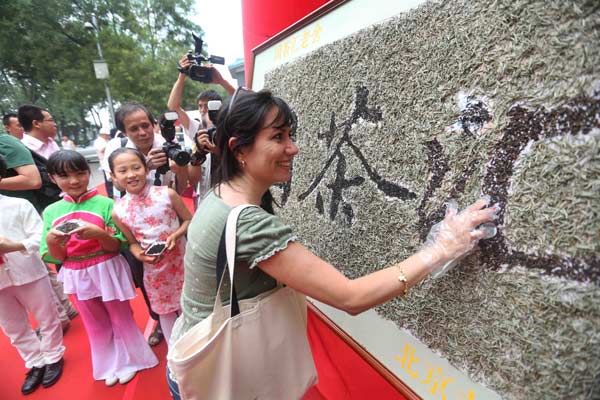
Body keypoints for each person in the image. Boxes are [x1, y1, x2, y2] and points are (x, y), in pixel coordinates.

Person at [166, 89, 499, 398]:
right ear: (239, 149)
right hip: (217, 378)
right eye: (278, 137)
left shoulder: (219, 194)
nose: (292, 148)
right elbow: (350, 297)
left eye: (290, 136)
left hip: (194, 355)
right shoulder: (248, 223)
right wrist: (441, 249)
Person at [40, 150, 158, 385]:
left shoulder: (106, 204)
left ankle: (132, 359)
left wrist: (98, 234)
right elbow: (55, 257)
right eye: (64, 176)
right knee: (93, 321)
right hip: (74, 272)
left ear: (89, 172)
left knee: (120, 314)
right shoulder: (51, 212)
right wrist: (54, 242)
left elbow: (117, 245)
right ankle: (108, 364)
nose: (74, 181)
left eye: (80, 173)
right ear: (53, 178)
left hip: (106, 265)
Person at [101, 103, 190, 346]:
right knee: (150, 287)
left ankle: (192, 336)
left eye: (146, 125)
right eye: (134, 128)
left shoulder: (168, 145)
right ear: (124, 132)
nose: (142, 132)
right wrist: (144, 167)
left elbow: (182, 192)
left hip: (174, 239)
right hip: (140, 234)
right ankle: (163, 326)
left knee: (188, 295)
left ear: (154, 124)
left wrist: (179, 167)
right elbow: (117, 190)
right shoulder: (116, 150)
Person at [0, 119, 78, 332]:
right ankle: (63, 310)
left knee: (36, 267)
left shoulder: (4, 143)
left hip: (19, 214)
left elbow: (33, 180)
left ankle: (58, 318)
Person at [0, 155, 65, 395]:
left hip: (28, 271)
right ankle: (35, 361)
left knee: (46, 317)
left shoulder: (18, 206)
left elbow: (40, 238)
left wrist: (14, 246)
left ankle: (54, 355)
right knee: (13, 326)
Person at [167, 55, 235, 200]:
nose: (203, 110)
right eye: (200, 106)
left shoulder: (230, 127)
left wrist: (221, 81)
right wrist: (182, 75)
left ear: (218, 106)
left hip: (232, 193)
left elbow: (246, 102)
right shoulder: (197, 129)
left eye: (207, 105)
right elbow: (173, 106)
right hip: (206, 196)